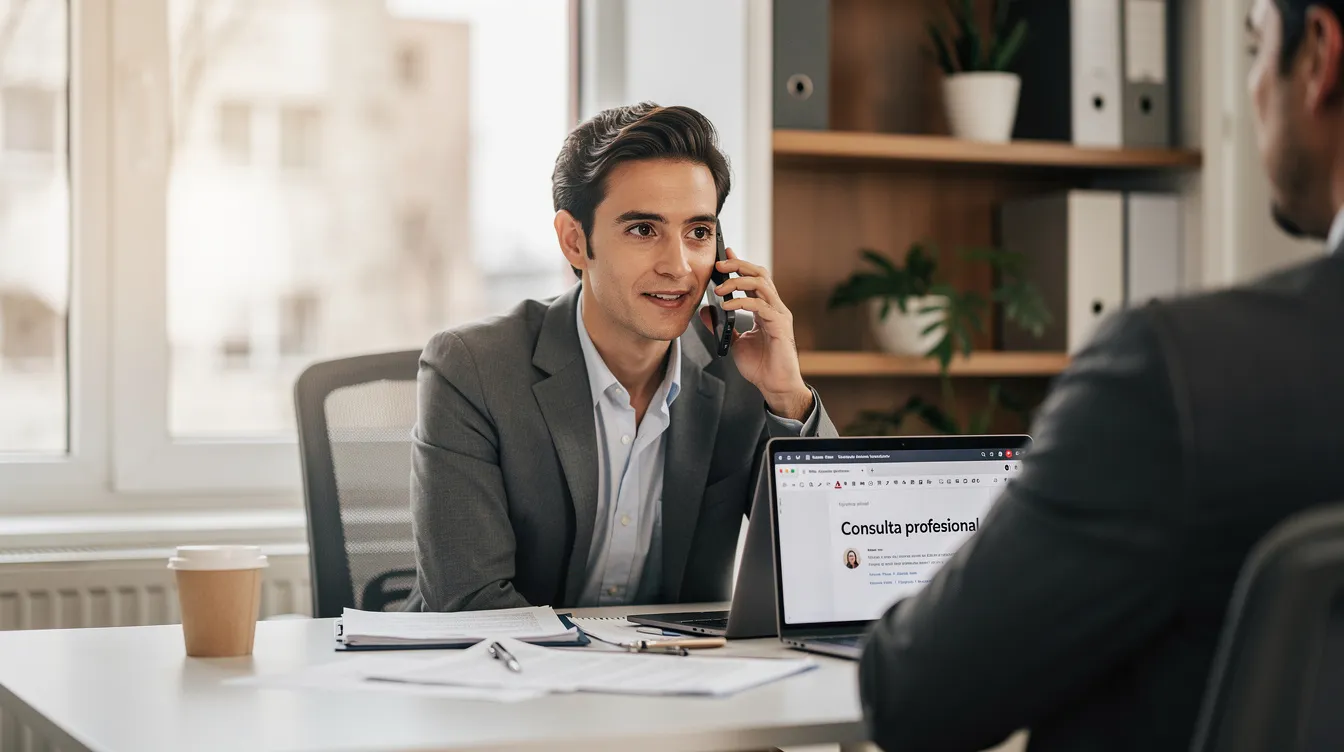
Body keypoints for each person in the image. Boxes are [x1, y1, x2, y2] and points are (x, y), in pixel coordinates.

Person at [858, 1, 1344, 750]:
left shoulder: (1177, 376)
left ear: (1318, 56)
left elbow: (915, 693)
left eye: (1254, 47)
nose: (1250, 88)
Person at [405, 102, 836, 613]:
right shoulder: (472, 369)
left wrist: (787, 397)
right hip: (516, 678)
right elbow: (469, 603)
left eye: (698, 233)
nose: (678, 266)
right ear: (574, 241)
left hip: (678, 679)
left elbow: (831, 566)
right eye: (642, 230)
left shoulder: (742, 368)